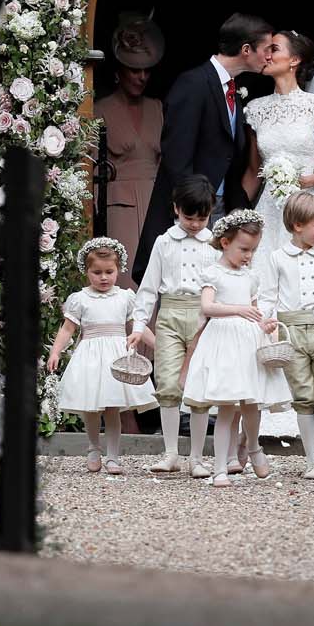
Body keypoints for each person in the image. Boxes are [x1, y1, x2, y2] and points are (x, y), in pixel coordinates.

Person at [132, 13, 274, 284]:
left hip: (221, 207)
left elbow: (230, 154)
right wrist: (192, 211)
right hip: (192, 210)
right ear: (246, 50)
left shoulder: (233, 89)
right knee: (185, 284)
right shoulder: (193, 83)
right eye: (266, 49)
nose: (269, 56)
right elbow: (177, 155)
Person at [182, 210, 292, 487]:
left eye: (253, 250)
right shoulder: (213, 274)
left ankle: (252, 447)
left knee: (252, 403)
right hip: (222, 341)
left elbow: (255, 310)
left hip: (248, 340)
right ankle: (220, 467)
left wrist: (265, 325)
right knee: (227, 405)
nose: (248, 256)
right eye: (244, 249)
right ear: (225, 243)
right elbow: (207, 307)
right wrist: (238, 310)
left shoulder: (250, 276)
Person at [130, 175, 219, 474]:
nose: (195, 224)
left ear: (210, 212)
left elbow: (224, 283)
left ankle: (196, 457)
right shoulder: (164, 242)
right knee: (167, 383)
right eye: (188, 216)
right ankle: (170, 453)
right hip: (169, 314)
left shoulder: (215, 244)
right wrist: (139, 325)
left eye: (202, 217)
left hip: (202, 317)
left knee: (198, 387)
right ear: (176, 209)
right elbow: (148, 287)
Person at [45, 237, 157, 476]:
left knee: (113, 407)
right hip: (90, 356)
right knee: (91, 407)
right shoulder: (80, 299)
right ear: (87, 271)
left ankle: (113, 456)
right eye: (97, 272)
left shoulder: (125, 297)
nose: (103, 277)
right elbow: (67, 329)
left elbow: (138, 325)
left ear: (118, 270)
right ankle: (94, 447)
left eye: (109, 272)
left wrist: (157, 345)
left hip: (116, 356)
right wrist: (56, 351)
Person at [241, 30, 314, 256]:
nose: (267, 55)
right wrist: (240, 213)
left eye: (274, 49)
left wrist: (303, 182)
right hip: (269, 209)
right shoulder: (255, 109)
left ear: (294, 60)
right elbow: (254, 171)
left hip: (307, 205)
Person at [256, 191, 314, 480]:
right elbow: (268, 296)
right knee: (303, 396)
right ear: (297, 226)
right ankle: (312, 459)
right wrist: (267, 321)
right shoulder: (278, 258)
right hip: (291, 332)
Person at [94, 11, 165, 291]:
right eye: (135, 70)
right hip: (117, 205)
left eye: (146, 71)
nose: (142, 77)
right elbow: (89, 167)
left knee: (157, 277)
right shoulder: (100, 110)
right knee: (123, 279)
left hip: (154, 202)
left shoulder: (157, 108)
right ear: (119, 71)